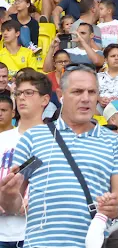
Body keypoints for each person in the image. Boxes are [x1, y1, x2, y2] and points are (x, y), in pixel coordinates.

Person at [0, 65, 118, 248]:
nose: (85, 98)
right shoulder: (32, 138)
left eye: (92, 92)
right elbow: (14, 205)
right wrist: (7, 194)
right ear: (60, 95)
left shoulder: (115, 142)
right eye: (77, 91)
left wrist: (116, 207)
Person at [0, 69, 50, 248]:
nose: (21, 98)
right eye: (18, 93)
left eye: (29, 93)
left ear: (45, 100)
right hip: (2, 233)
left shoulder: (56, 141)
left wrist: (35, 201)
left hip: (39, 233)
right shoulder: (2, 139)